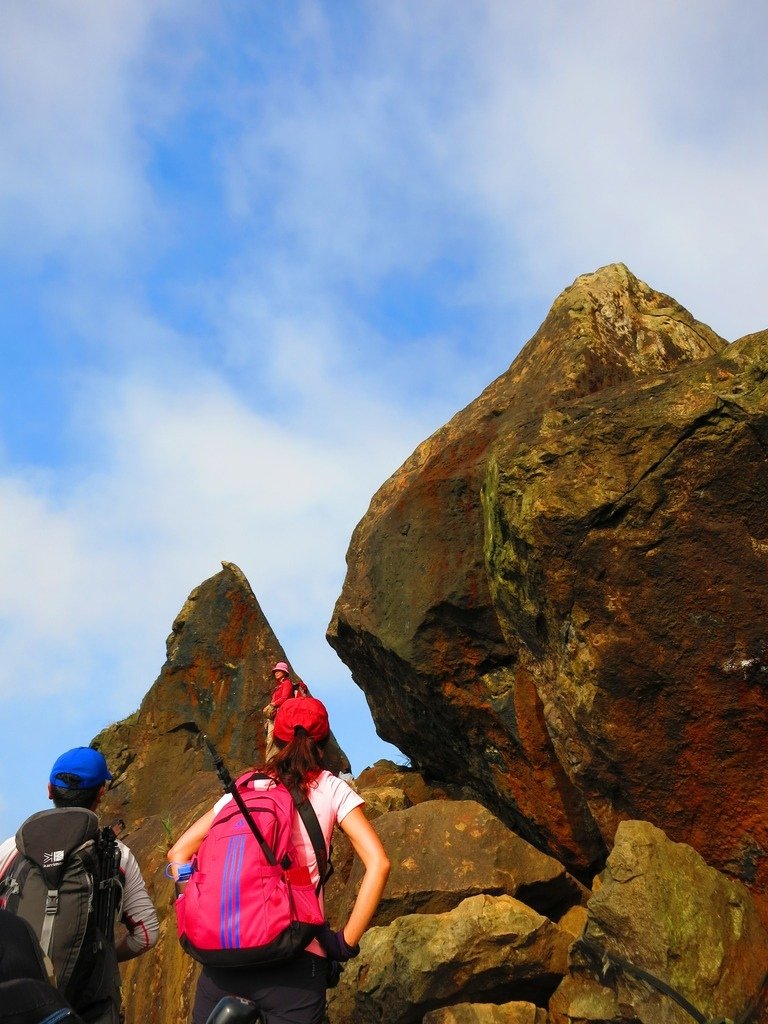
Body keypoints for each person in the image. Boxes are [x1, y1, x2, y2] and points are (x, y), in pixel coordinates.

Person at [168, 697, 390, 1024]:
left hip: (221, 966)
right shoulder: (331, 788)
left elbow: (178, 854)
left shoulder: (240, 791)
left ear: (276, 738)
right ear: (323, 743)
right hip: (296, 964)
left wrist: (190, 896)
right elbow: (378, 863)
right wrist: (345, 944)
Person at [0, 747, 159, 1024]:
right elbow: (146, 934)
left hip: (21, 1007)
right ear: (100, 793)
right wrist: (101, 957)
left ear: (50, 790)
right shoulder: (117, 854)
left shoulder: (12, 849)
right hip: (90, 1008)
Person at [262, 662, 310, 762]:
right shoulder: (278, 687)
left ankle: (274, 762)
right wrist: (267, 719)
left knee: (275, 739)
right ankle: (270, 762)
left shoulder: (287, 683)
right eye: (275, 671)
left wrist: (271, 705)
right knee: (270, 740)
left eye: (279, 670)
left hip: (281, 715)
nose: (276, 672)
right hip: (274, 716)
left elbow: (285, 698)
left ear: (285, 672)